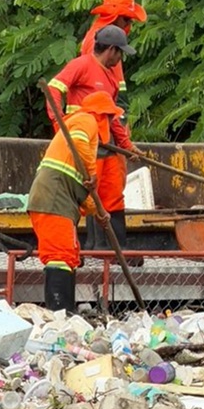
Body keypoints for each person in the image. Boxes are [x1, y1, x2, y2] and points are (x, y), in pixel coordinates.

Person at [28, 91, 123, 311]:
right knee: (59, 256)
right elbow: (79, 146)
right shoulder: (86, 120)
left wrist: (97, 211)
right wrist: (92, 174)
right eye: (110, 118)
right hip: (53, 199)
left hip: (57, 199)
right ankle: (60, 313)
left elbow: (80, 188)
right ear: (103, 115)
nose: (110, 123)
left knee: (68, 255)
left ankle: (65, 313)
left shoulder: (81, 124)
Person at [46, 25, 137, 248]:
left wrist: (127, 144)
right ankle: (85, 246)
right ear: (112, 50)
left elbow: (113, 115)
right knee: (87, 193)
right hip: (84, 143)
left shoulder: (111, 78)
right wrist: (59, 124)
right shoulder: (82, 65)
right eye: (120, 53)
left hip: (106, 145)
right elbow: (53, 89)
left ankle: (115, 249)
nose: (120, 59)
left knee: (113, 193)